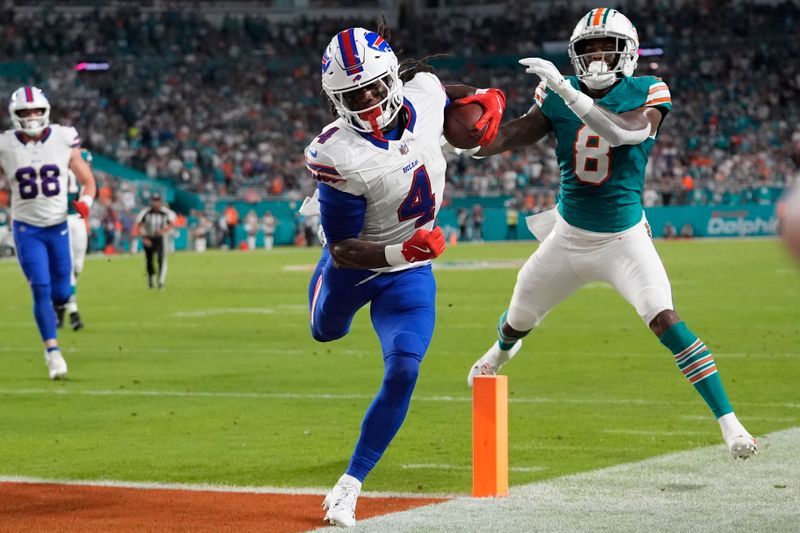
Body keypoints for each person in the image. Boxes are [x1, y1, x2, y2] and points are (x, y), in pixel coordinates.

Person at [466, 8, 756, 461]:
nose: (598, 57)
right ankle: (500, 353)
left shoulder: (648, 91)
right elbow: (516, 134)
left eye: (607, 47)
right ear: (575, 54)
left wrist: (566, 90)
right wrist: (469, 142)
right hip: (566, 237)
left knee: (664, 318)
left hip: (623, 240)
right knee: (516, 319)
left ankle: (730, 423)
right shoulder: (557, 93)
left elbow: (623, 133)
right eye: (588, 49)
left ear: (629, 53)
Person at [304, 23, 505, 527]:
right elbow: (347, 248)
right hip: (356, 266)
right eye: (353, 94)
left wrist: (484, 98)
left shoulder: (423, 93)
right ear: (336, 99)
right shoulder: (338, 152)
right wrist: (400, 249)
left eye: (373, 86)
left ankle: (349, 486)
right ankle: (319, 288)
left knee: (405, 369)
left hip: (412, 271)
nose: (369, 100)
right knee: (325, 331)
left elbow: (444, 92)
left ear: (392, 76)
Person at [0, 86, 96, 379]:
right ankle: (52, 351)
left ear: (46, 111)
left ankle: (56, 313)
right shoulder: (5, 144)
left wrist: (86, 202)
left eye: (36, 110)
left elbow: (88, 182)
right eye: (25, 112)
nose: (31, 116)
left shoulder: (63, 137)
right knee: (39, 286)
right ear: (14, 115)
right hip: (27, 229)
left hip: (58, 227)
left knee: (63, 293)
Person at [55, 148, 93, 331]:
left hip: (78, 221)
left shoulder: (85, 179)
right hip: (62, 220)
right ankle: (73, 312)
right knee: (68, 266)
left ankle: (61, 305)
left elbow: (89, 191)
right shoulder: (59, 172)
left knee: (77, 267)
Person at [135, 192, 176, 289]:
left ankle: (161, 281)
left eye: (157, 201)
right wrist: (145, 238)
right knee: (149, 260)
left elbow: (172, 223)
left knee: (161, 258)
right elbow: (139, 225)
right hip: (148, 237)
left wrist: (163, 230)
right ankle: (151, 279)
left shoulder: (166, 213)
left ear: (160, 202)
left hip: (160, 238)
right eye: (154, 201)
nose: (155, 203)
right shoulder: (146, 212)